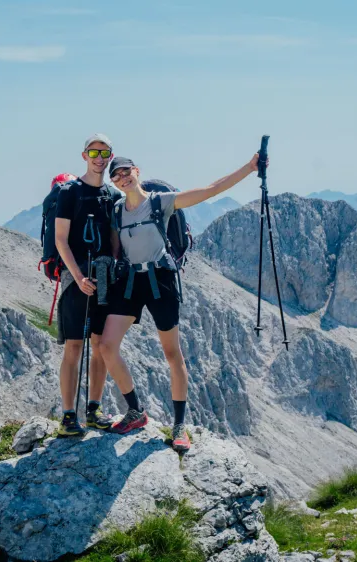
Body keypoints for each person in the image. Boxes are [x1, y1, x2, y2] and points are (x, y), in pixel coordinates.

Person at [98, 151, 267, 452]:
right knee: (106, 347)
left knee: (172, 353)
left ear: (136, 171)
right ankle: (136, 412)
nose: (122, 177)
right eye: (116, 175)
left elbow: (210, 190)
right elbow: (114, 250)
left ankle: (179, 426)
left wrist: (249, 168)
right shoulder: (117, 210)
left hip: (160, 280)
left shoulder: (160, 201)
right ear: (113, 181)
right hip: (130, 283)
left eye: (125, 171)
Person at [52, 133, 122, 436]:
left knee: (101, 346)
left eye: (104, 153)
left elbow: (115, 238)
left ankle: (94, 409)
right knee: (74, 345)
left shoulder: (112, 195)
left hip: (105, 275)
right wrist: (78, 278)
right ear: (84, 156)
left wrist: (114, 266)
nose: (99, 158)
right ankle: (69, 415)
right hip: (75, 279)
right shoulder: (69, 193)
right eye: (94, 152)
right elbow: (60, 239)